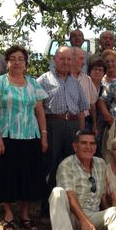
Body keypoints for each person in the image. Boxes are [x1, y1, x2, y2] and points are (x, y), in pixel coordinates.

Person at [0, 45, 48, 230]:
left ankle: (25, 215)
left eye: (21, 59)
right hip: (6, 135)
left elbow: (40, 111)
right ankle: (8, 214)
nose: (17, 62)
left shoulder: (33, 83)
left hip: (30, 136)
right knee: (6, 175)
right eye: (13, 58)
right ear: (7, 62)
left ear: (26, 63)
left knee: (28, 176)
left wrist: (44, 135)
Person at [38, 46, 89, 195]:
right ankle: (47, 207)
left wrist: (81, 133)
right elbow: (38, 108)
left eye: (68, 59)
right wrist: (44, 133)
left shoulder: (75, 82)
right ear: (55, 59)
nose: (65, 62)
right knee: (51, 163)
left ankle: (70, 203)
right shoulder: (44, 79)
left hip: (73, 126)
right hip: (53, 124)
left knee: (71, 163)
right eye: (62, 58)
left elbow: (81, 110)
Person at [71, 47, 99, 136]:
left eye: (84, 59)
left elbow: (92, 104)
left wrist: (94, 124)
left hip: (86, 121)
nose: (83, 63)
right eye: (81, 59)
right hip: (68, 121)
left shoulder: (87, 79)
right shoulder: (62, 78)